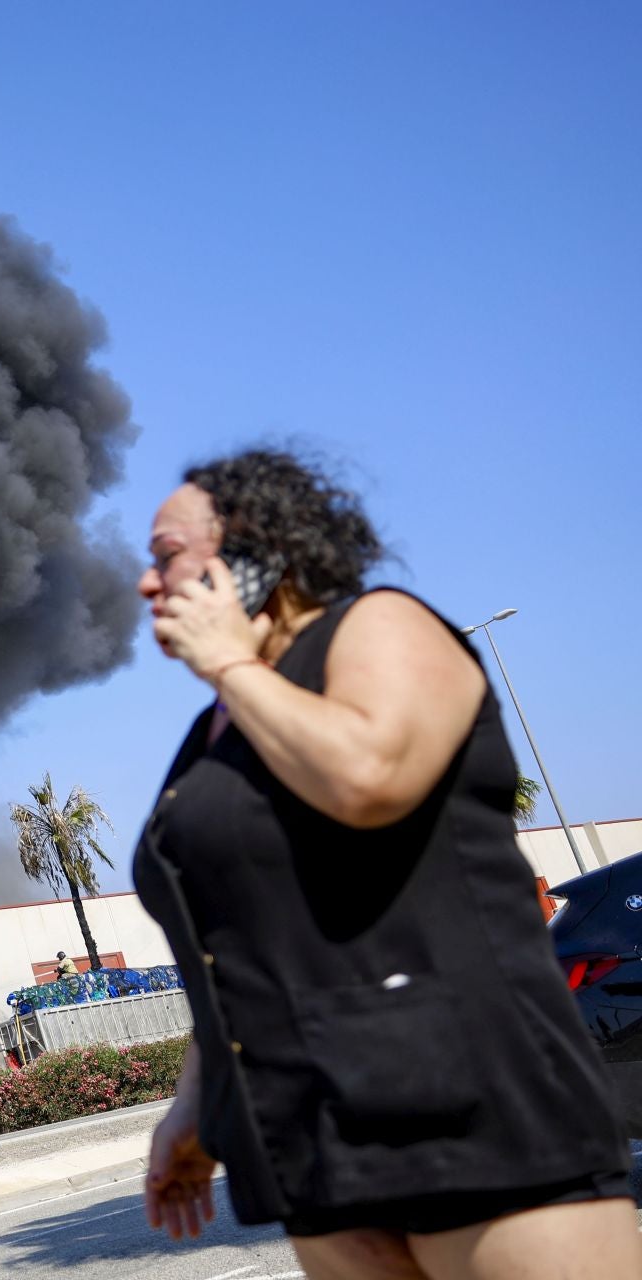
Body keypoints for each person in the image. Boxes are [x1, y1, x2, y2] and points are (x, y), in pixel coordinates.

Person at [131, 448, 638, 1280]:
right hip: (315, 1142)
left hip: (474, 1109)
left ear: (259, 549)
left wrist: (229, 663)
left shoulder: (381, 625)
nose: (148, 583)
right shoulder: (219, 725)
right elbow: (240, 943)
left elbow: (370, 778)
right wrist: (195, 1105)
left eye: (167, 555)